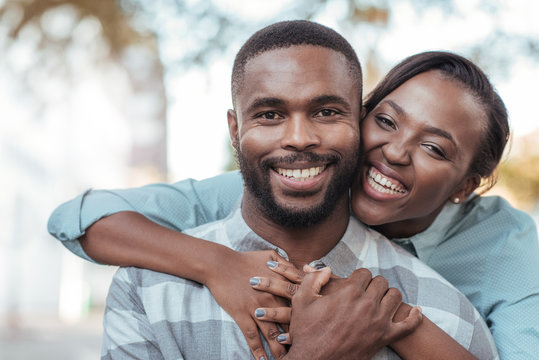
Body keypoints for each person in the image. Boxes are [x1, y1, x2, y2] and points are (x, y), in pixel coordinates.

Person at [67, 21, 499, 359]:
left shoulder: (445, 315)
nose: (298, 138)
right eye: (270, 114)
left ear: (355, 120)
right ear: (235, 130)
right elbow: (80, 218)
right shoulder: (146, 290)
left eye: (327, 111)